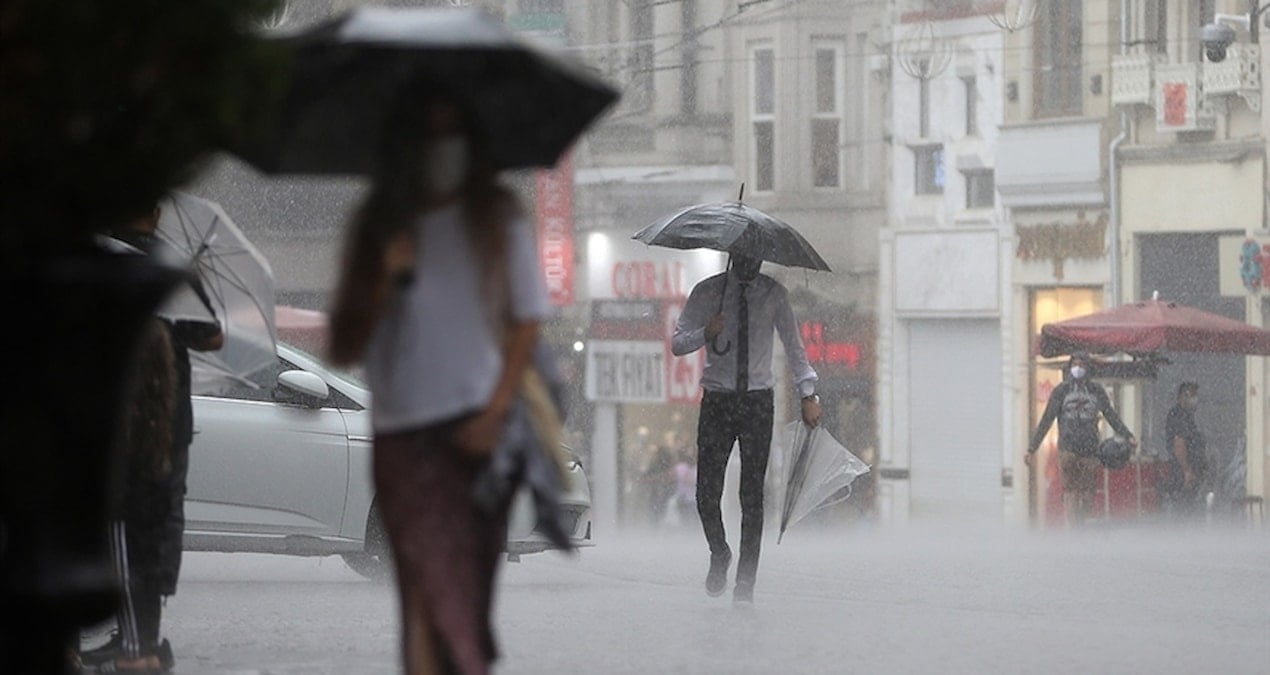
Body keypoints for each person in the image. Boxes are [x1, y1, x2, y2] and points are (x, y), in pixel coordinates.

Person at [327, 89, 550, 675]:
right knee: (424, 593)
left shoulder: (497, 218)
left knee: (465, 595)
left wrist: (496, 410)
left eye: (452, 133)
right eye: (428, 134)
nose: (440, 149)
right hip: (403, 435)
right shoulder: (378, 224)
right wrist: (384, 279)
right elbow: (345, 343)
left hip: (477, 431)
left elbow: (527, 320)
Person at [79, 204, 224, 673]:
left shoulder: (95, 262)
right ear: (158, 209)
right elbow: (213, 337)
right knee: (155, 525)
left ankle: (131, 641)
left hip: (111, 418)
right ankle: (139, 644)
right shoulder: (170, 266)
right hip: (164, 416)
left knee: (118, 527)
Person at [672, 255, 820, 603]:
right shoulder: (708, 292)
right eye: (745, 252)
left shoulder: (773, 294)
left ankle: (745, 584)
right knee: (706, 492)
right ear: (733, 253)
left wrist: (808, 393)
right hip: (718, 400)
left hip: (756, 403)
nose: (752, 260)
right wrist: (704, 333)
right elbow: (678, 343)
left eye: (758, 253)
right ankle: (720, 551)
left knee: (752, 497)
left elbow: (795, 349)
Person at [1026, 352, 1136, 526]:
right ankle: (1075, 526)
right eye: (1075, 364)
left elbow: (1110, 416)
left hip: (1090, 451)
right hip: (1068, 450)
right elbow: (1047, 420)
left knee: (1086, 492)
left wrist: (1127, 435)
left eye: (1081, 365)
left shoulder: (1093, 391)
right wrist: (1032, 448)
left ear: (1088, 368)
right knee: (1072, 491)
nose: (1078, 368)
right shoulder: (1063, 391)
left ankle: (1078, 523)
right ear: (1070, 367)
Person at [1162, 382, 1208, 517]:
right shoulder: (1179, 415)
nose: (1195, 399)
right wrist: (1187, 470)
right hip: (1182, 471)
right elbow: (1179, 444)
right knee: (1184, 508)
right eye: (1192, 395)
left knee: (1189, 506)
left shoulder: (1187, 416)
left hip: (1189, 468)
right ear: (1183, 395)